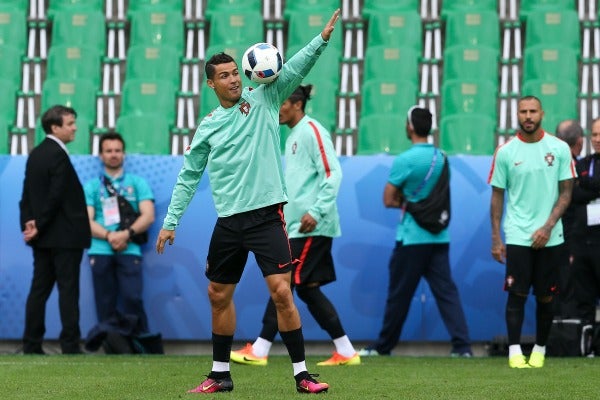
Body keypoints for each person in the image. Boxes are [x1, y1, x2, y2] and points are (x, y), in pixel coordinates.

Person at [155, 9, 340, 395]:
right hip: (229, 222)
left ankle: (302, 375)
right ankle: (220, 375)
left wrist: (320, 40)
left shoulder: (266, 98)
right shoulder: (208, 126)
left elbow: (296, 69)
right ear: (211, 84)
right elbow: (189, 176)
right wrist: (171, 220)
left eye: (236, 73)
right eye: (224, 76)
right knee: (218, 294)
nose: (234, 79)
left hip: (266, 217)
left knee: (282, 292)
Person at [230, 85, 360, 367]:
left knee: (282, 284)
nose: (278, 109)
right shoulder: (291, 136)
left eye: (283, 103)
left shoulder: (312, 130)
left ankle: (261, 349)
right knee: (307, 290)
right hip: (300, 226)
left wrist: (316, 210)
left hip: (312, 225)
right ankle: (346, 351)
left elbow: (332, 173)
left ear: (297, 104)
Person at [358, 106, 472, 358]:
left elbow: (388, 199)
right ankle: (462, 348)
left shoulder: (405, 160)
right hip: (439, 237)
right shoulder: (442, 157)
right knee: (447, 294)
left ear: (409, 127)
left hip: (411, 238)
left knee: (399, 295)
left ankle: (384, 347)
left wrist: (406, 202)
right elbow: (440, 195)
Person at [489, 96, 576, 368]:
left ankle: (539, 350)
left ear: (542, 114)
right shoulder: (505, 152)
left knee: (547, 296)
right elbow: (497, 197)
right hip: (517, 235)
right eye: (523, 111)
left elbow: (566, 194)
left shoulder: (559, 148)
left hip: (551, 236)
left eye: (533, 111)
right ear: (517, 114)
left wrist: (548, 226)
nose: (528, 116)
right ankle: (515, 353)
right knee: (516, 294)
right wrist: (496, 237)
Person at [19, 105, 91, 354]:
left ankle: (31, 343)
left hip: (43, 237)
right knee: (68, 292)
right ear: (55, 127)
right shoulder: (58, 155)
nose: (75, 128)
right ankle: (70, 345)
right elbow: (56, 196)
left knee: (39, 291)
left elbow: (26, 194)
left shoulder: (36, 153)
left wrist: (29, 224)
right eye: (70, 124)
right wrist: (38, 224)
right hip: (65, 237)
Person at [84, 132, 155, 333]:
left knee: (133, 298)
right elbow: (85, 220)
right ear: (101, 155)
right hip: (100, 249)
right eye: (108, 151)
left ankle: (140, 345)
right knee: (105, 302)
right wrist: (109, 236)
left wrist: (125, 234)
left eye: (117, 150)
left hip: (130, 249)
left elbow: (148, 215)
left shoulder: (137, 182)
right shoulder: (91, 186)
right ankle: (111, 348)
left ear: (124, 154)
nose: (113, 154)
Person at [571, 117, 600, 326]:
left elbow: (583, 188)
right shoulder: (582, 163)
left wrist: (586, 184)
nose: (597, 139)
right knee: (584, 298)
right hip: (582, 243)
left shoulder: (583, 171)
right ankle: (587, 347)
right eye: (595, 134)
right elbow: (574, 194)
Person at [554, 119, 584, 317]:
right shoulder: (576, 169)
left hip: (548, 237)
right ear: (580, 142)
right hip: (571, 239)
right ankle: (568, 341)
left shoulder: (548, 165)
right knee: (569, 291)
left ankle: (554, 340)